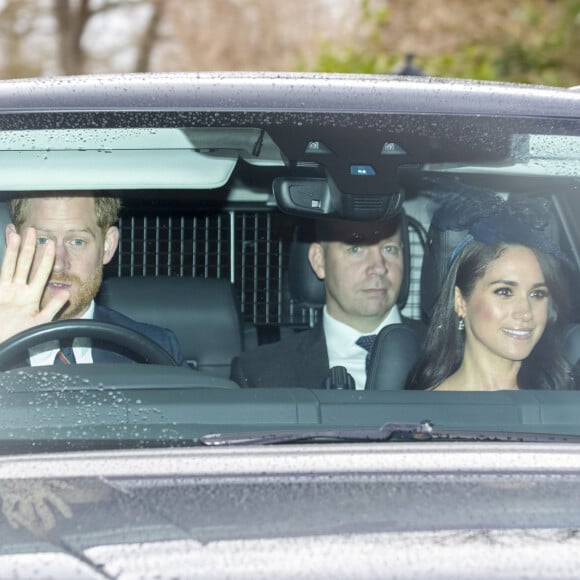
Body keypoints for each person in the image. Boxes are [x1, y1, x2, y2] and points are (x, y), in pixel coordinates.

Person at [230, 212, 425, 389]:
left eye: (389, 249)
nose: (379, 267)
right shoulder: (262, 373)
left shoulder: (450, 355)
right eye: (356, 249)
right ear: (319, 260)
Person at [406, 192, 574, 391]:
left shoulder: (566, 401)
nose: (526, 312)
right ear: (460, 301)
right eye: (504, 292)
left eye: (537, 294)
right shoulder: (423, 412)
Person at [0, 192, 185, 365]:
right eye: (42, 240)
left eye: (78, 242)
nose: (58, 264)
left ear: (108, 246)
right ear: (13, 240)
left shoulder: (155, 349)